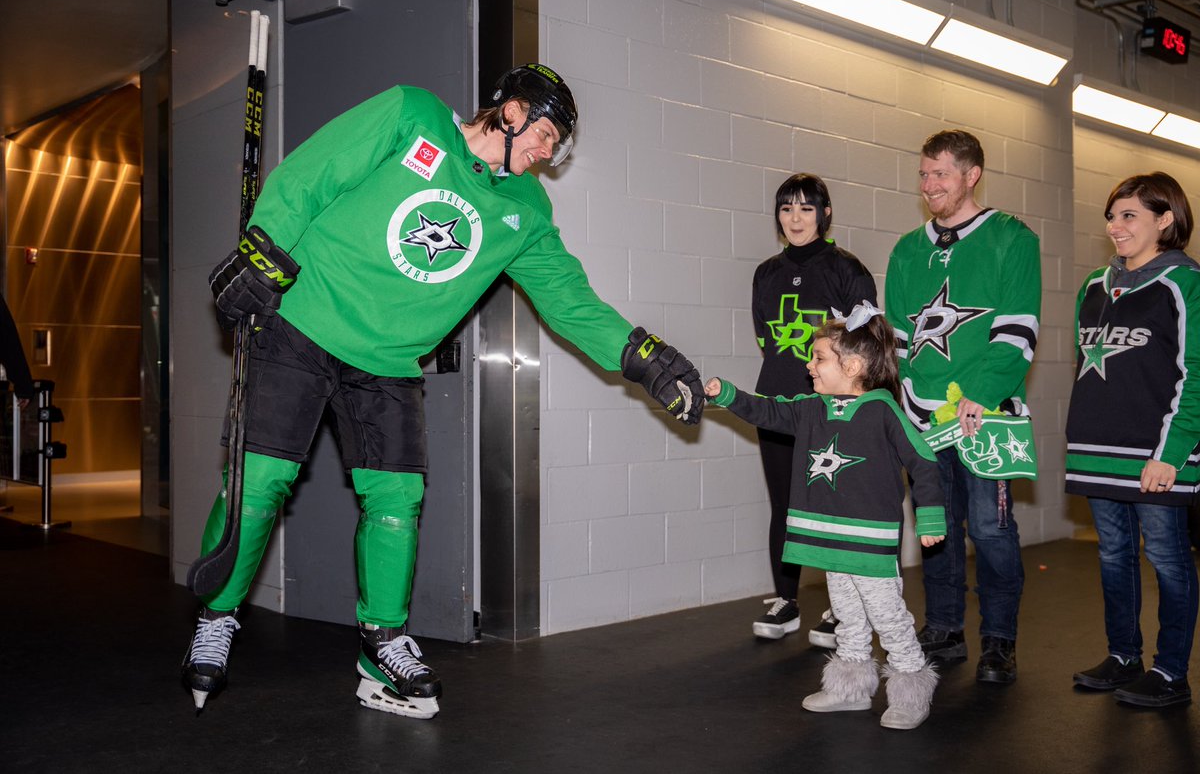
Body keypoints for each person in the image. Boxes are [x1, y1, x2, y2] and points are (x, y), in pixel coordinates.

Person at [182, 63, 706, 719]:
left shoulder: (525, 210)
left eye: (557, 146)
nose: (548, 154)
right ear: (509, 111)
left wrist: (645, 357)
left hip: (390, 360)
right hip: (301, 321)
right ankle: (218, 614)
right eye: (545, 134)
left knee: (397, 499)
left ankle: (382, 647)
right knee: (259, 482)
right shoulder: (412, 115)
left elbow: (570, 300)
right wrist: (264, 246)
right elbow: (313, 171)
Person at [705, 304, 945, 730]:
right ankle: (850, 688)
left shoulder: (883, 411)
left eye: (818, 358)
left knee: (889, 618)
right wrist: (727, 394)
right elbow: (768, 411)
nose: (809, 366)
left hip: (870, 544)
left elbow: (925, 461)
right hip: (831, 540)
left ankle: (910, 689)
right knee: (847, 617)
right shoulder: (811, 408)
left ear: (852, 366)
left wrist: (930, 518)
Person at [884, 129, 1041, 684]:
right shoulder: (907, 249)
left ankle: (999, 639)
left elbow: (1019, 329)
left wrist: (984, 391)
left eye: (941, 174)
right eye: (924, 174)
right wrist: (901, 403)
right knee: (937, 524)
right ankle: (945, 628)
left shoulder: (1011, 238)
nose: (929, 185)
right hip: (922, 416)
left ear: (972, 174)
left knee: (990, 529)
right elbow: (899, 339)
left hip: (984, 414)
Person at [1065, 172, 1199, 708]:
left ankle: (1171, 673)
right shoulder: (1094, 285)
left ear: (1165, 220)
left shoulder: (1185, 283)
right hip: (1099, 451)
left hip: (1156, 456)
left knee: (1167, 558)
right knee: (1114, 556)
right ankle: (1123, 656)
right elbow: (1085, 367)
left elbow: (1197, 373)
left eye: (1129, 216)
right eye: (1112, 215)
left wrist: (1170, 454)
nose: (1114, 226)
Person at [749, 173, 875, 647]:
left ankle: (840, 608)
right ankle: (786, 601)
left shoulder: (847, 268)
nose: (795, 218)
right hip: (778, 402)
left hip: (833, 409)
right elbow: (766, 338)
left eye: (805, 208)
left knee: (831, 504)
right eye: (785, 208)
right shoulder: (766, 272)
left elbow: (864, 347)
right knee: (784, 504)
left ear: (825, 213)